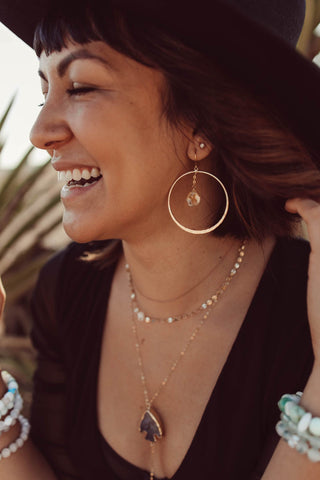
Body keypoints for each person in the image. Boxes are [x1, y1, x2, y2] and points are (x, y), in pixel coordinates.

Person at [0, 0, 320, 479]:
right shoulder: (67, 290)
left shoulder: (304, 310)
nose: (40, 132)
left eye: (81, 86)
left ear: (202, 122)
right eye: (45, 91)